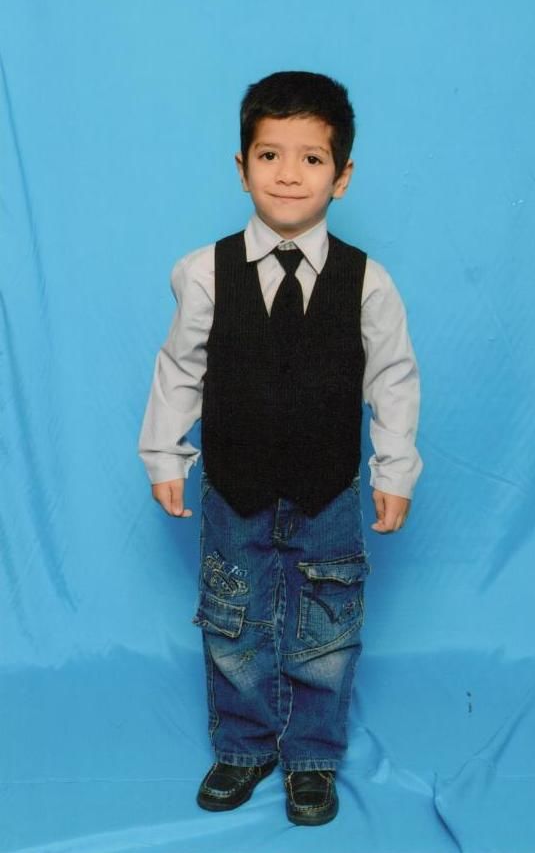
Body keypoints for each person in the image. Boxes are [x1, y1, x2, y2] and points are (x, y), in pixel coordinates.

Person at [139, 70, 422, 826]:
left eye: (311, 158)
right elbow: (179, 369)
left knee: (326, 629)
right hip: (233, 486)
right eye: (270, 156)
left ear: (342, 175)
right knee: (233, 623)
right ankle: (243, 746)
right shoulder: (203, 273)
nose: (289, 174)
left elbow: (393, 379)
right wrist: (165, 454)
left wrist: (395, 469)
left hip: (329, 490)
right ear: (242, 168)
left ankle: (312, 757)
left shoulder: (368, 283)